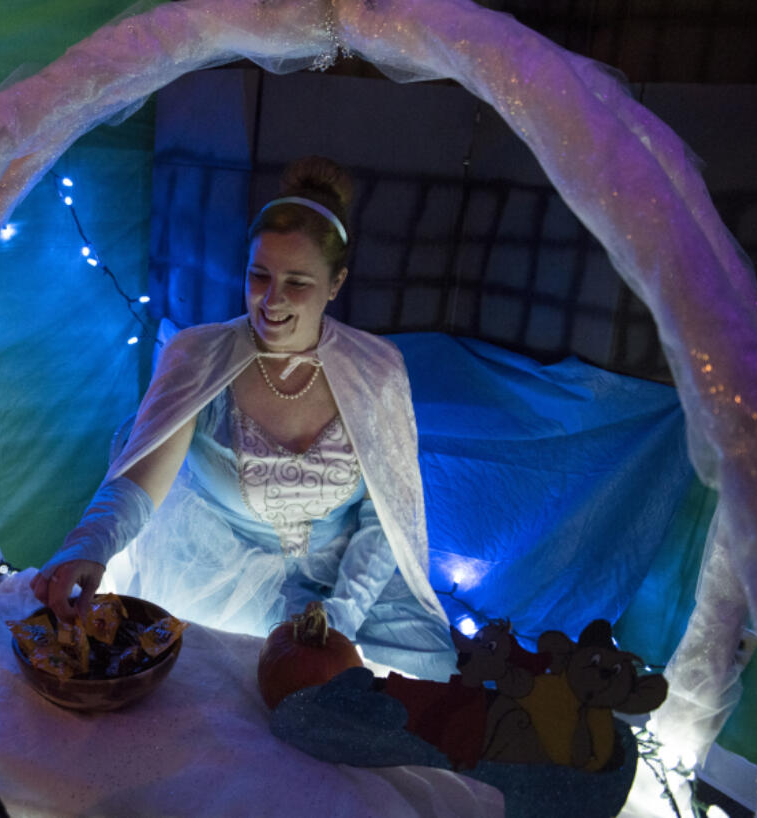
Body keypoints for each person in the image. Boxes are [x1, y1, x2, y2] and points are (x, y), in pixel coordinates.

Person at [33, 156, 456, 681]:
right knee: (229, 686)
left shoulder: (377, 370)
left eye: (297, 282)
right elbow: (140, 482)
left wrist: (339, 621)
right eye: (260, 275)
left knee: (425, 673)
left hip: (349, 577)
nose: (271, 300)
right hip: (224, 569)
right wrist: (87, 546)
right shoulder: (199, 356)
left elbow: (386, 517)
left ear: (336, 283)